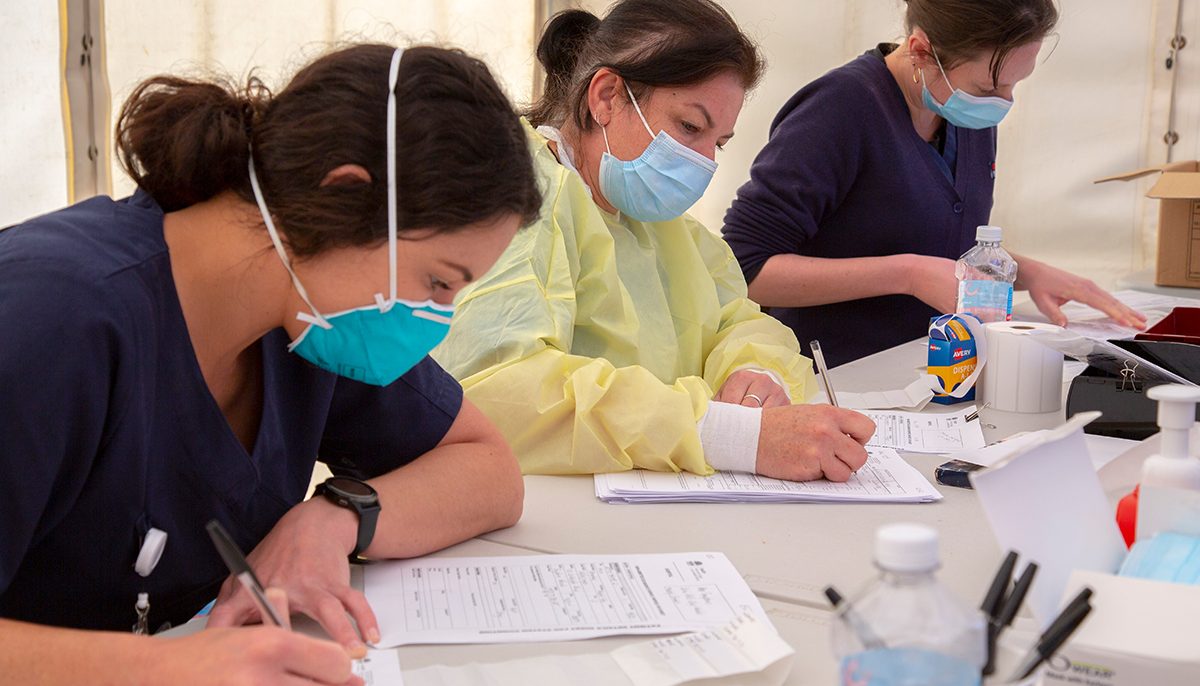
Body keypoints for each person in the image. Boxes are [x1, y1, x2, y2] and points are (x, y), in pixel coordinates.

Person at [0, 43, 541, 684]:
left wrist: (334, 518)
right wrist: (168, 670)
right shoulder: (52, 320)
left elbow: (490, 472)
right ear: (344, 197)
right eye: (437, 282)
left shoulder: (309, 321)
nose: (435, 316)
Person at [433, 0, 876, 482]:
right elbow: (502, 390)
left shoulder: (659, 224)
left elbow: (740, 319)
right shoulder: (510, 197)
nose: (704, 162)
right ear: (605, 97)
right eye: (689, 126)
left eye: (719, 142)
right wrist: (726, 434)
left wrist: (755, 376)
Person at [722, 0, 1147, 368]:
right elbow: (746, 268)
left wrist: (1027, 272)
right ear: (922, 50)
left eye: (1016, 84)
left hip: (934, 373)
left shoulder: (963, 110)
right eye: (990, 85)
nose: (1004, 101)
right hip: (837, 380)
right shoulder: (840, 110)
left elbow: (931, 239)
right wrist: (907, 274)